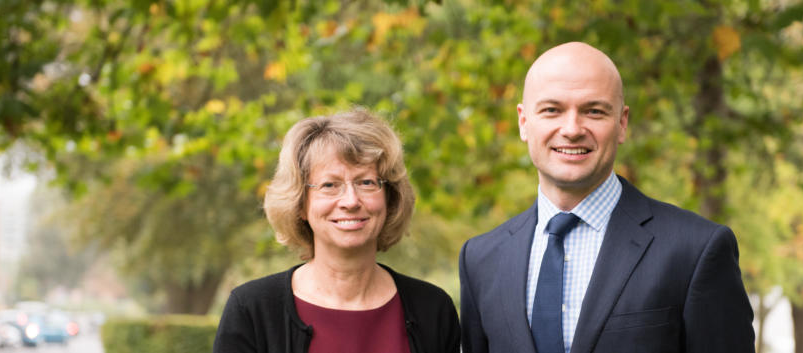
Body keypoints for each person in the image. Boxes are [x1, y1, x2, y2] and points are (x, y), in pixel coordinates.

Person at [458, 42, 754, 353]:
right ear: (523, 121)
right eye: (552, 110)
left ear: (622, 123)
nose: (572, 129)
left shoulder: (696, 249)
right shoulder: (481, 259)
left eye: (594, 111)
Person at [214, 110, 460, 353]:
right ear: (300, 204)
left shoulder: (433, 309)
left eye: (366, 182)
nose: (351, 201)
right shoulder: (252, 310)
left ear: (389, 198)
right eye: (330, 185)